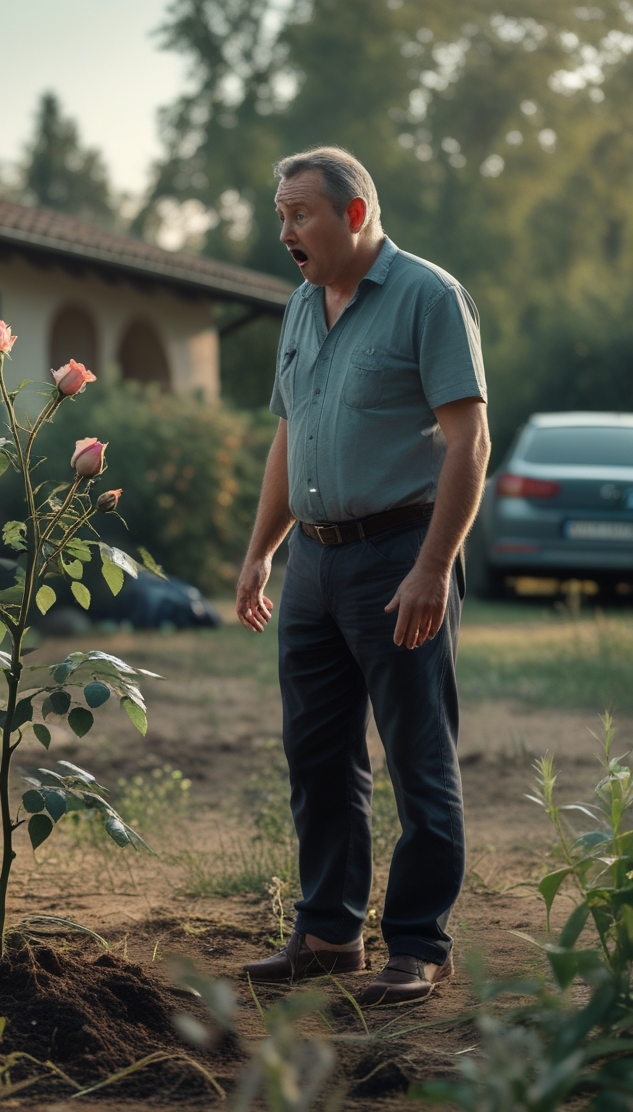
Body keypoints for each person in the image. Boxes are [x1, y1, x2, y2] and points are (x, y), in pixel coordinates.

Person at [236, 148, 490, 1006]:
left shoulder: (428, 297)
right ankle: (330, 933)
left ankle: (418, 943)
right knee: (318, 757)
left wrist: (432, 567)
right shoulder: (302, 309)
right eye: (280, 216)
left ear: (353, 213)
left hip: (398, 559)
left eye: (299, 214)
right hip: (312, 561)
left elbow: (469, 443)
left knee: (419, 757)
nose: (285, 233)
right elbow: (288, 434)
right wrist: (261, 549)